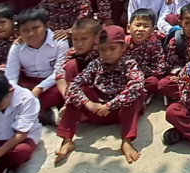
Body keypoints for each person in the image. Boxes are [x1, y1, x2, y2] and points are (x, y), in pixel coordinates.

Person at [56, 24, 147, 164]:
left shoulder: (129, 64)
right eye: (103, 49)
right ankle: (67, 140)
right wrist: (89, 104)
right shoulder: (96, 64)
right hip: (98, 110)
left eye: (112, 48)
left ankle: (126, 141)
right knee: (79, 91)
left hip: (120, 111)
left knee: (137, 94)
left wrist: (110, 105)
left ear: (123, 48)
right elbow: (74, 85)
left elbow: (136, 85)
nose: (108, 53)